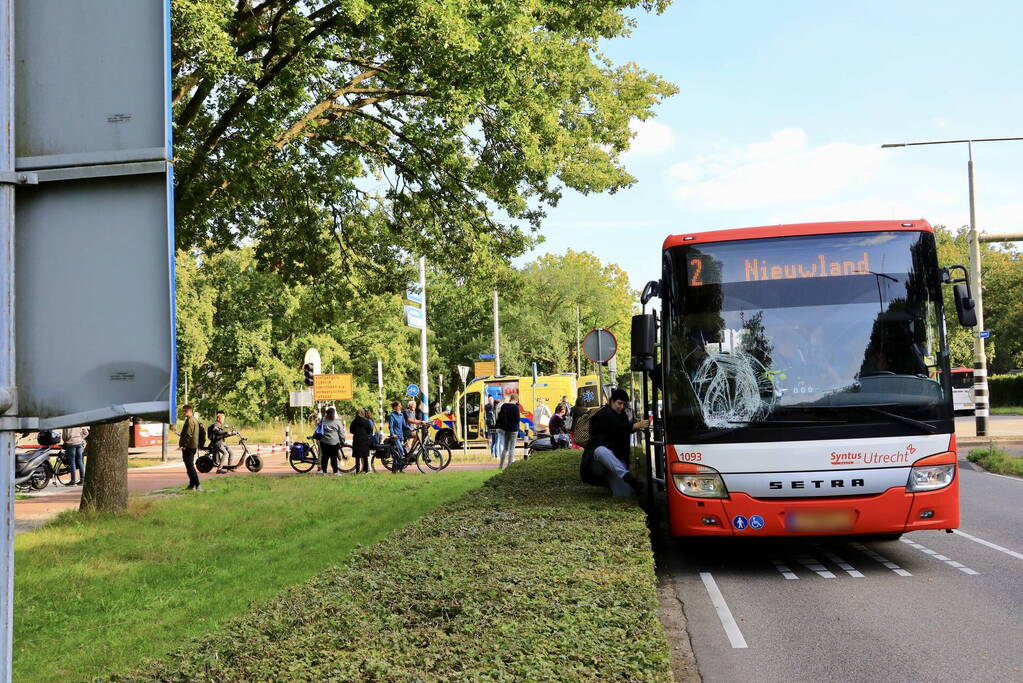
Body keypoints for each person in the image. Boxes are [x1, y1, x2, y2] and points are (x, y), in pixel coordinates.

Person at [580, 388, 649, 496]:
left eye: (624, 404)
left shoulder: (622, 415)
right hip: (597, 462)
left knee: (624, 494)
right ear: (612, 401)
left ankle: (619, 479)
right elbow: (618, 426)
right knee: (601, 451)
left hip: (616, 461)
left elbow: (623, 430)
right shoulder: (603, 414)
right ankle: (627, 477)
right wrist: (637, 425)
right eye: (619, 403)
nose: (621, 407)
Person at [177, 405, 201, 491]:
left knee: (190, 467)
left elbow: (188, 434)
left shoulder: (190, 420)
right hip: (192, 446)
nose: (183, 413)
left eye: (184, 411)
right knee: (189, 466)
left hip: (189, 447)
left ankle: (196, 484)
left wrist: (184, 445)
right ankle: (192, 484)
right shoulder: (194, 420)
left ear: (188, 411)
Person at [317, 407, 346, 474]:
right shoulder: (337, 422)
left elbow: (318, 428)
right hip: (334, 442)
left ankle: (324, 471)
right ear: (334, 414)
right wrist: (342, 441)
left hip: (324, 442)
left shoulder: (323, 420)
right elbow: (341, 433)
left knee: (325, 457)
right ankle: (335, 472)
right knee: (333, 457)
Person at [496, 393, 521, 469]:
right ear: (516, 399)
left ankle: (500, 466)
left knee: (505, 448)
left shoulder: (504, 406)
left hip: (506, 429)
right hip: (514, 430)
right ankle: (509, 466)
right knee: (512, 448)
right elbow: (517, 419)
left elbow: (501, 418)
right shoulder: (516, 408)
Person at [350, 408, 373, 474]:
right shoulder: (366, 421)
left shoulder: (354, 421)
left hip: (356, 439)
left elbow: (351, 430)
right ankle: (365, 470)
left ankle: (357, 470)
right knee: (365, 455)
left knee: (357, 456)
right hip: (365, 440)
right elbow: (370, 430)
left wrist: (356, 433)